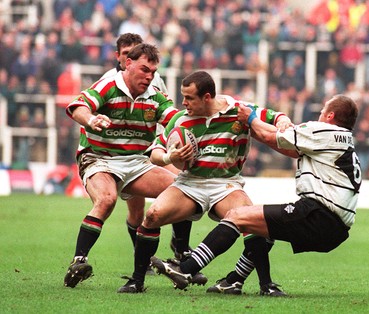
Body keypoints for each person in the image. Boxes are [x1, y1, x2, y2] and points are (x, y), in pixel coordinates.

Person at [151, 94, 362, 296]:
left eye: (323, 109)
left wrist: (250, 119)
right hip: (337, 230)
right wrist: (257, 129)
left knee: (237, 216)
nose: (320, 113)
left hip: (318, 214)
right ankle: (236, 281)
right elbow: (286, 146)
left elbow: (273, 136)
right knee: (261, 226)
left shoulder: (321, 130)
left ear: (330, 116)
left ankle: (185, 269)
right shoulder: (342, 140)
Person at [119, 70, 293, 294]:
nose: (184, 103)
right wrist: (169, 158)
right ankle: (137, 281)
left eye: (190, 98)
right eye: (183, 97)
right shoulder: (180, 119)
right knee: (152, 216)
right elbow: (154, 152)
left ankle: (266, 285)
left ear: (207, 97)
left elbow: (276, 117)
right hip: (189, 184)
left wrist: (285, 122)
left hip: (226, 184)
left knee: (252, 223)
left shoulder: (238, 110)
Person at [63, 43, 179, 290]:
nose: (149, 76)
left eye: (153, 72)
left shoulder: (154, 96)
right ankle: (78, 261)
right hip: (98, 157)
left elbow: (176, 120)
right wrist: (92, 119)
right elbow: (77, 107)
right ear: (128, 63)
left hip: (136, 162)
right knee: (106, 199)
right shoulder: (108, 85)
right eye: (144, 70)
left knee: (183, 191)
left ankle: (179, 254)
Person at [99, 33, 191, 273]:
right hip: (123, 154)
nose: (130, 57)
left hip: (154, 146)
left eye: (134, 52)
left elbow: (166, 107)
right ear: (120, 58)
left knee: (184, 185)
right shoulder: (109, 81)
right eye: (125, 53)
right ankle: (143, 259)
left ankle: (181, 249)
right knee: (137, 211)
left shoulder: (153, 76)